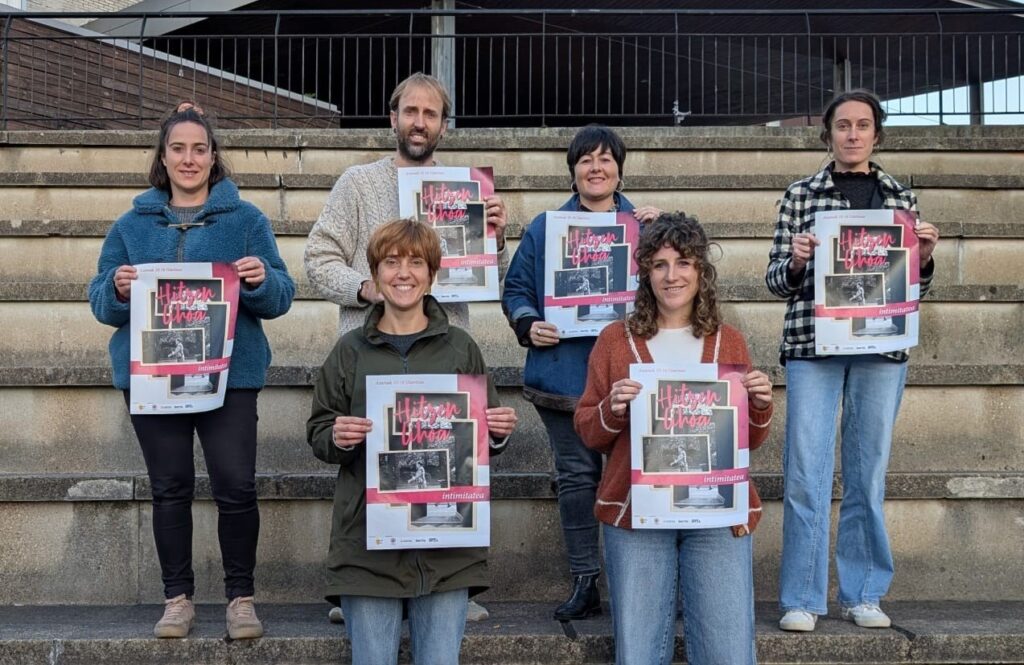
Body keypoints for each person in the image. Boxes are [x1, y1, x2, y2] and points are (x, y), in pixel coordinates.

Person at [305, 72, 508, 623]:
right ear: (392, 118)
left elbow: (490, 280)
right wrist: (362, 286)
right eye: (410, 111)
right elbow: (317, 258)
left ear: (444, 125)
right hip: (369, 347)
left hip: (441, 347)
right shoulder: (357, 183)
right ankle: (364, 587)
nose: (420, 122)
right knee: (371, 464)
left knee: (441, 460)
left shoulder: (466, 188)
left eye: (431, 113)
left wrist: (493, 238)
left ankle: (447, 588)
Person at [88, 101, 295, 639]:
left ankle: (240, 598)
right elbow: (99, 301)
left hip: (230, 376)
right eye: (178, 148)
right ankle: (177, 598)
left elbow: (281, 295)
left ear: (213, 156)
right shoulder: (131, 224)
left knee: (235, 485)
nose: (188, 158)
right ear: (162, 156)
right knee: (170, 487)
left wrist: (260, 281)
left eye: (199, 149)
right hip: (153, 378)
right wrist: (116, 289)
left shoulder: (248, 220)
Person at [765, 89, 939, 632]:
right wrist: (794, 262)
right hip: (813, 346)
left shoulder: (901, 202)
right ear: (829, 134)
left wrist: (924, 259)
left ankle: (864, 593)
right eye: (843, 125)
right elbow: (774, 281)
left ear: (876, 135)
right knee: (804, 475)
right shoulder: (800, 195)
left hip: (880, 348)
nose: (853, 134)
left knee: (867, 476)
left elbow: (912, 290)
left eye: (863, 125)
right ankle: (802, 598)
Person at [306, 219, 517, 665]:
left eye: (416, 262)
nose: (404, 272)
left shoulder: (461, 347)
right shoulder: (349, 351)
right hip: (367, 548)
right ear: (376, 273)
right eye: (391, 262)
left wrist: (496, 433)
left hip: (447, 550)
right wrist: (338, 435)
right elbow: (319, 432)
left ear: (432, 273)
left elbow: (483, 436)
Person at [574, 213, 773, 665]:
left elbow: (748, 443)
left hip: (716, 513)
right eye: (660, 264)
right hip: (636, 514)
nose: (671, 275)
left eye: (683, 263)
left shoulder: (729, 342)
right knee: (640, 651)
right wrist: (613, 410)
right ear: (645, 272)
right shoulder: (614, 340)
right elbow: (587, 428)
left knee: (729, 651)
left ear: (701, 271)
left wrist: (758, 405)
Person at [501, 124, 661, 621]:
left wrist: (662, 231)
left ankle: (641, 584)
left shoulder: (646, 225)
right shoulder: (547, 227)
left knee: (639, 475)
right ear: (573, 170)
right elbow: (517, 289)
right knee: (575, 479)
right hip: (564, 375)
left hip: (631, 375)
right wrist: (530, 325)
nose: (596, 167)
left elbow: (680, 285)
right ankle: (585, 581)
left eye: (606, 159)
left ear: (620, 168)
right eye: (586, 159)